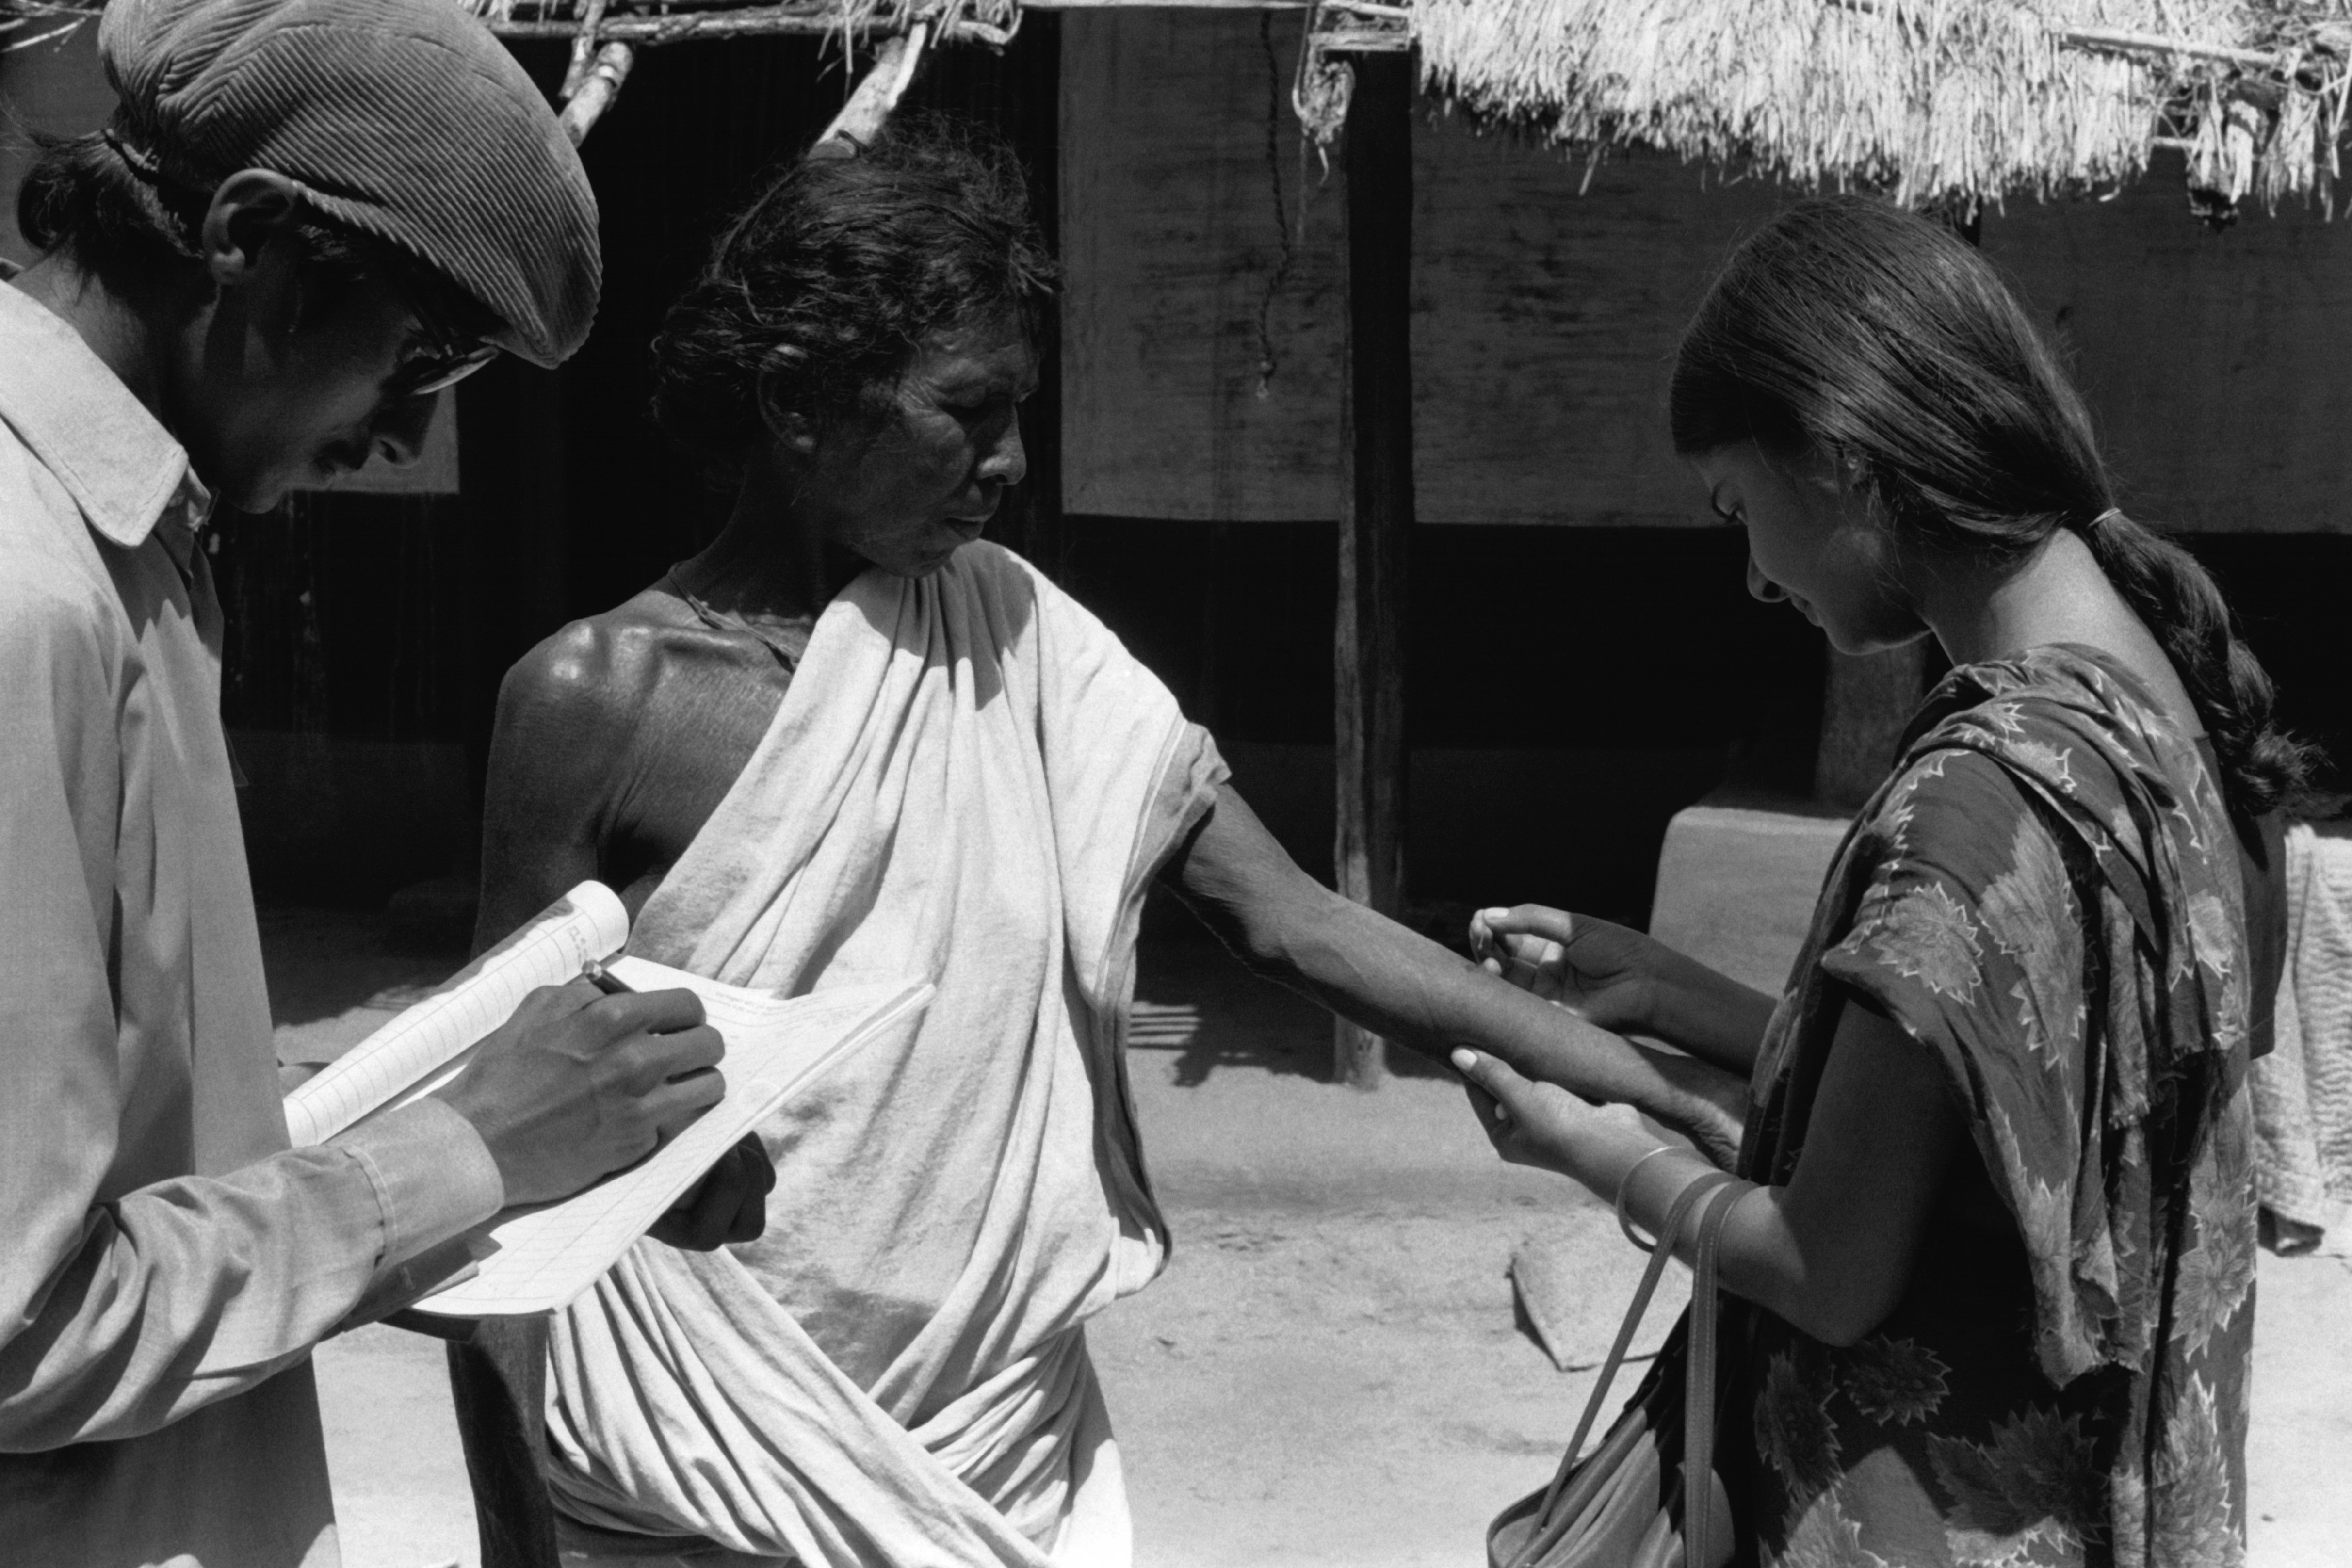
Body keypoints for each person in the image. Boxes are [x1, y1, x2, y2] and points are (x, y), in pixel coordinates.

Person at [459, 122, 1741, 1568]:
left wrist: (1648, 1088)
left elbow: (1294, 921)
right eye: (968, 408)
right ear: (798, 401)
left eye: (1025, 412)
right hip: (687, 1450)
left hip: (996, 1454)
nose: (1010, 460)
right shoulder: (595, 703)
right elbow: (496, 1162)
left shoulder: (1022, 641)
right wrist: (513, 1538)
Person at [0, 2, 767, 1564]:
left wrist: (538, 1153)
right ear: (255, 242)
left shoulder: (131, 549)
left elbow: (133, 1162)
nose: (407, 424)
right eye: (425, 353)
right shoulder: (29, 597)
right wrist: (466, 1148)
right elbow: (23, 1327)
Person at [1449, 195, 2307, 1568]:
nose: (1751, 576)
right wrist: (1669, 988)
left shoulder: (1980, 794)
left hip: (1925, 1515)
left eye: (1739, 509)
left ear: (1839, 457)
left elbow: (1825, 1266)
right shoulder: (2165, 710)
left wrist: (1599, 1152)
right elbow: (1980, 1090)